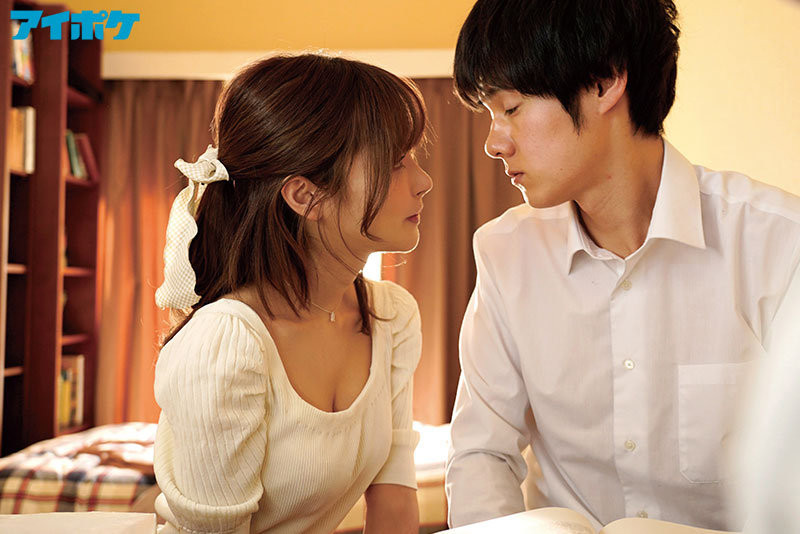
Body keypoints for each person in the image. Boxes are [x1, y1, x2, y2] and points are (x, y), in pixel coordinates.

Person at [444, 0, 800, 531]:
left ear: (605, 81)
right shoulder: (505, 253)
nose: (494, 143)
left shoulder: (780, 245)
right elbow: (482, 454)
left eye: (511, 108)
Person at [152, 53, 433, 534]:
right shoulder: (226, 345)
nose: (424, 182)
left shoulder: (390, 316)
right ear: (305, 196)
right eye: (394, 163)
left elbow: (394, 502)